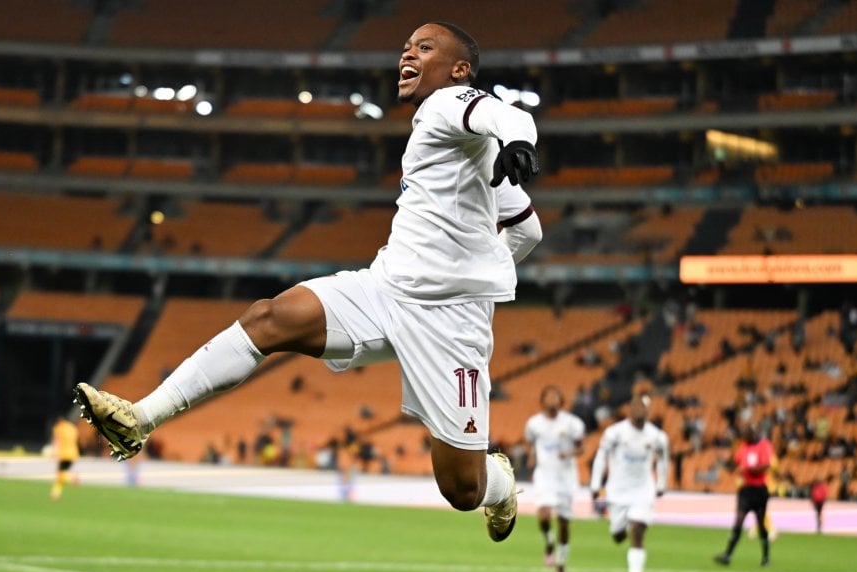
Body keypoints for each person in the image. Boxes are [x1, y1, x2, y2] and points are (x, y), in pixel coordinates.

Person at [74, 21, 543, 542]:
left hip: (450, 324)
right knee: (268, 318)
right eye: (406, 47)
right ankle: (140, 418)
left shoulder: (448, 104)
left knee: (461, 490)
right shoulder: (460, 150)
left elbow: (507, 114)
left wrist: (518, 147)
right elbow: (527, 228)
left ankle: (498, 483)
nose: (407, 54)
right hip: (385, 289)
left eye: (424, 47)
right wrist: (488, 260)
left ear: (459, 69)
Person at [590, 393, 669, 572]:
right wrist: (596, 483)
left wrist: (661, 483)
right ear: (629, 410)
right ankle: (619, 527)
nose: (639, 411)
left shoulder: (657, 436)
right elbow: (601, 455)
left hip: (643, 490)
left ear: (647, 411)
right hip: (618, 491)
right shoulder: (615, 433)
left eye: (643, 407)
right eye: (635, 407)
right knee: (618, 535)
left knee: (637, 530)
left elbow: (662, 459)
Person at [523, 385, 586, 572]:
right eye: (548, 396)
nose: (552, 400)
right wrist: (532, 456)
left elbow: (582, 447)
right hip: (544, 474)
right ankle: (549, 541)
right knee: (543, 515)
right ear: (542, 400)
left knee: (564, 522)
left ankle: (561, 564)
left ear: (561, 400)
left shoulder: (572, 423)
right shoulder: (534, 424)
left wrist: (570, 454)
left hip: (565, 476)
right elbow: (531, 443)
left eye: (555, 396)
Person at [714, 424, 773, 567]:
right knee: (738, 522)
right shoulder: (743, 447)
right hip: (746, 490)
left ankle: (766, 557)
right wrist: (725, 463)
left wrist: (748, 469)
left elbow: (766, 465)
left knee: (760, 524)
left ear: (753, 433)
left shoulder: (764, 445)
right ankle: (727, 555)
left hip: (759, 490)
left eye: (746, 435)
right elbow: (735, 464)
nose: (744, 438)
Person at [49, 415, 80, 500]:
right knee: (60, 474)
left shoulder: (58, 428)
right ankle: (55, 494)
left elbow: (57, 441)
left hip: (63, 454)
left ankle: (71, 478)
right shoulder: (72, 427)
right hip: (73, 453)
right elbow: (76, 439)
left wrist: (54, 452)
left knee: (60, 474)